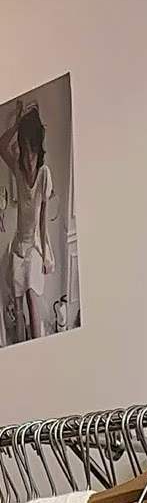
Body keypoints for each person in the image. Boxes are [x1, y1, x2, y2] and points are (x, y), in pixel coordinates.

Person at [0, 100, 54, 341]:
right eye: (25, 150)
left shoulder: (44, 174)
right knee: (18, 304)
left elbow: (42, 220)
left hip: (34, 246)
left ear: (38, 150)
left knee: (32, 299)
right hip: (19, 247)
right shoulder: (18, 170)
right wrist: (18, 122)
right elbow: (2, 145)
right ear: (21, 150)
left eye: (33, 150)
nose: (30, 157)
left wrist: (46, 254)